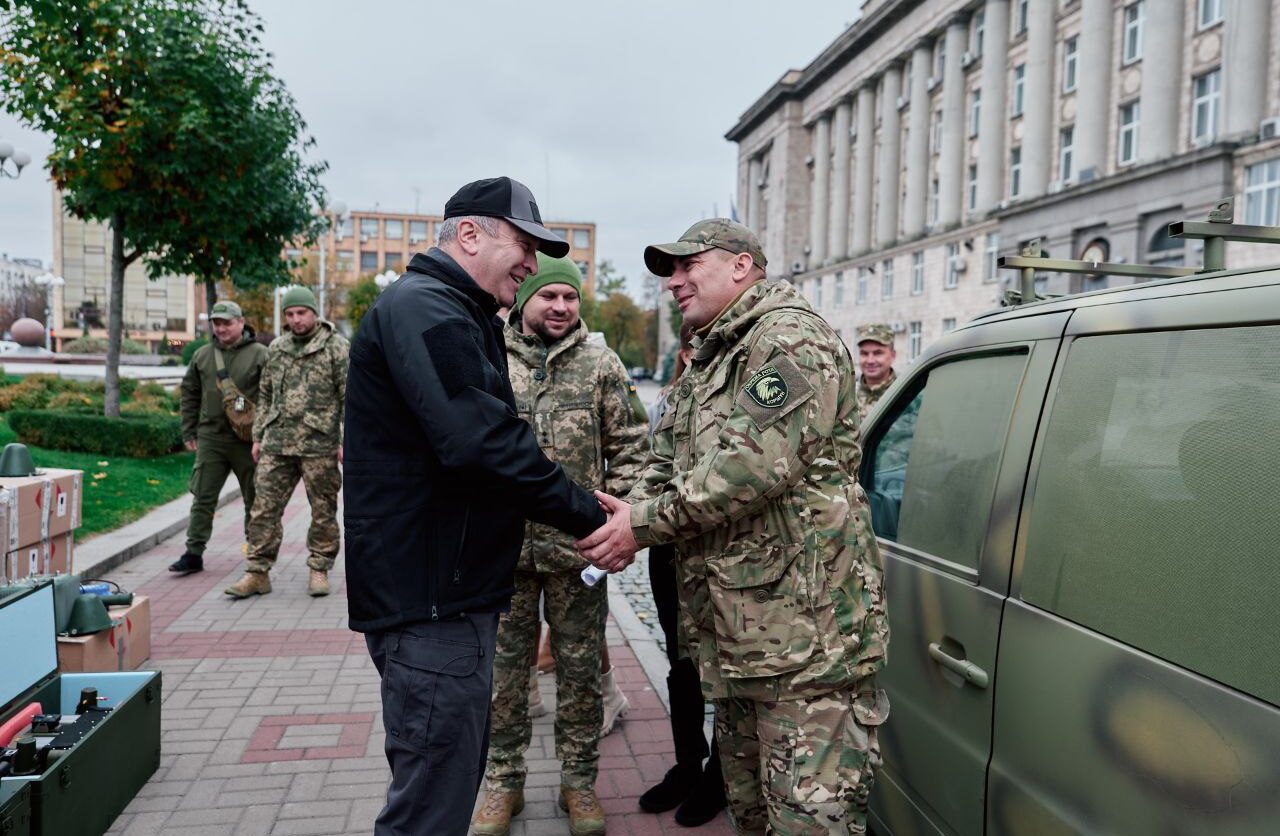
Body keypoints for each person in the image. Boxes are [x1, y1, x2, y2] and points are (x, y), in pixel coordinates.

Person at [578, 219, 890, 835]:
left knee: (810, 822)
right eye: (670, 271)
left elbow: (742, 470)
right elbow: (664, 462)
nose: (674, 282)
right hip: (741, 643)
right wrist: (623, 515)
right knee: (751, 815)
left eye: (688, 265)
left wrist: (640, 526)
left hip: (809, 649)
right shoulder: (713, 357)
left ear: (742, 266)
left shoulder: (792, 342)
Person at [343, 176, 608, 836]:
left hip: (446, 589)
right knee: (431, 802)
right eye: (524, 245)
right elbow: (483, 443)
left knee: (445, 778)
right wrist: (591, 517)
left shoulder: (453, 310)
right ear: (470, 233)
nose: (531, 263)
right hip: (432, 596)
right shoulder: (429, 311)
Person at [472, 253, 649, 836]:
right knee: (503, 673)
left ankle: (579, 783)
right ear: (525, 300)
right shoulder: (487, 358)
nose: (561, 307)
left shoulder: (601, 364)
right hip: (502, 551)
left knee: (578, 672)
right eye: (550, 297)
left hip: (580, 553)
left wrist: (621, 524)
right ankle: (502, 782)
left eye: (571, 298)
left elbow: (632, 450)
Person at [637, 325, 727, 827]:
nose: (695, 354)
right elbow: (654, 464)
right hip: (669, 549)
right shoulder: (669, 400)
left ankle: (720, 773)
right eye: (689, 346)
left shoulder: (735, 395)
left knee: (725, 664)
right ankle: (687, 764)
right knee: (681, 661)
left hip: (719, 553)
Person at [225, 286, 348, 599]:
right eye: (290, 314)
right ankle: (257, 572)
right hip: (277, 443)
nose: (296, 320)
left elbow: (349, 397)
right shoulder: (277, 348)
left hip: (319, 444)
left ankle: (319, 568)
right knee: (262, 508)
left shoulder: (335, 347)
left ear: (313, 313)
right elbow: (265, 394)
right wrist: (258, 436)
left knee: (322, 510)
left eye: (301, 313)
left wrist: (346, 440)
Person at [169, 300, 268, 576]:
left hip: (249, 441)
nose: (221, 328)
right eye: (217, 323)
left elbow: (273, 395)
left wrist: (266, 435)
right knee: (202, 496)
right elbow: (189, 393)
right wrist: (189, 430)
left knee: (255, 498)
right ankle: (193, 552)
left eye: (227, 322)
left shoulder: (261, 354)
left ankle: (257, 551)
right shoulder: (202, 355)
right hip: (211, 438)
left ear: (240, 322)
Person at [855, 323, 897, 422]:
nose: (870, 361)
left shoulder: (906, 392)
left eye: (878, 353)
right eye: (864, 353)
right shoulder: (846, 394)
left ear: (893, 355)